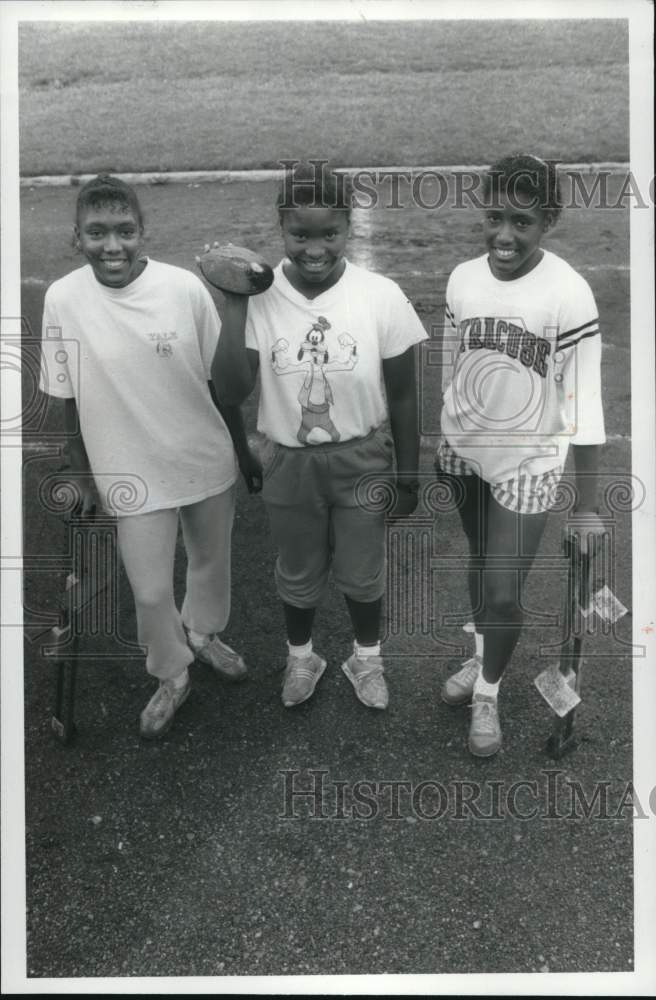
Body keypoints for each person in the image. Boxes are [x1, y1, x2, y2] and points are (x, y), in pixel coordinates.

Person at [39, 174, 260, 739]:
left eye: (124, 231)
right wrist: (82, 475)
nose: (112, 246)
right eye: (96, 233)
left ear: (143, 232)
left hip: (203, 458)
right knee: (150, 590)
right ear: (76, 237)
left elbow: (220, 387)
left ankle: (204, 634)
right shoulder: (63, 298)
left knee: (211, 564)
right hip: (127, 470)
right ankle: (171, 672)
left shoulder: (182, 289)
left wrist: (243, 451)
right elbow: (65, 395)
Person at [211, 160, 428, 710]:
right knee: (298, 572)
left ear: (348, 228)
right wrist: (235, 304)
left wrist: (408, 475)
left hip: (363, 459)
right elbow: (231, 390)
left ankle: (367, 658)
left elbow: (404, 395)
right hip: (290, 461)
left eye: (329, 233)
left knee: (362, 573)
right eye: (299, 233)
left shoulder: (380, 296)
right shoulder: (260, 297)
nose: (314, 248)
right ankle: (301, 655)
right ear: (281, 227)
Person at [436, 153, 607, 757]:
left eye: (522, 222)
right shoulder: (462, 278)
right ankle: (483, 653)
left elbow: (585, 408)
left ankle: (487, 692)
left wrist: (585, 509)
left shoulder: (568, 295)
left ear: (550, 219)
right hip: (464, 451)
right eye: (494, 217)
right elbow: (454, 361)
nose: (503, 235)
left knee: (504, 590)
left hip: (529, 463)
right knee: (483, 566)